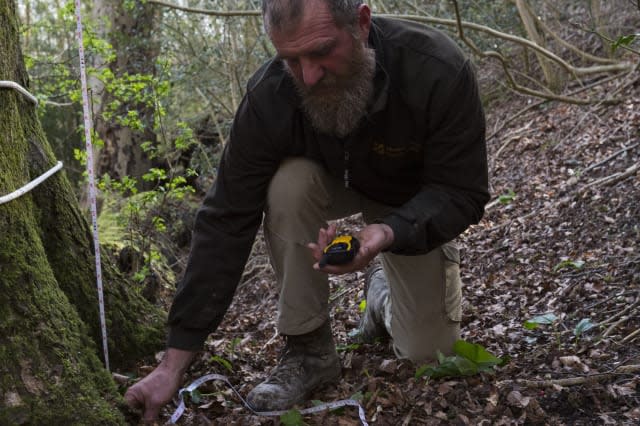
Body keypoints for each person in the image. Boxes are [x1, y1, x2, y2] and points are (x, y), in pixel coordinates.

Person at [124, 0, 488, 421]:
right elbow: (225, 218)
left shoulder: (435, 68)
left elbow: (461, 191)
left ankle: (379, 298)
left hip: (409, 201)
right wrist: (172, 365)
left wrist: (386, 232)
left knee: (429, 354)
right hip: (325, 185)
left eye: (320, 51)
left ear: (362, 23)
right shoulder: (270, 96)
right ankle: (309, 347)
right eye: (290, 59)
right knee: (286, 184)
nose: (308, 76)